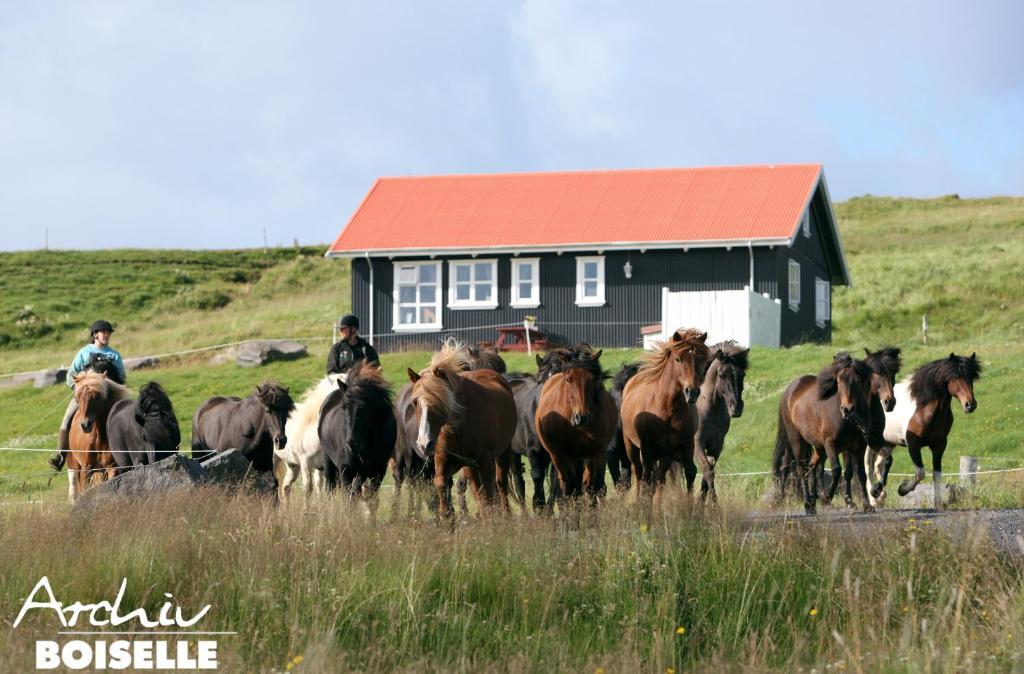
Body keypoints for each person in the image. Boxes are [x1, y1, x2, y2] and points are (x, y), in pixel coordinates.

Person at [48, 319, 127, 471]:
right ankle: (60, 455)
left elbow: (122, 378)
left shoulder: (114, 355)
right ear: (95, 334)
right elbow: (71, 374)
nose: (106, 335)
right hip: (85, 397)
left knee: (129, 417)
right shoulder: (84, 352)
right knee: (66, 421)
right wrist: (79, 390)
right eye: (103, 332)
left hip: (108, 398)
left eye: (108, 332)